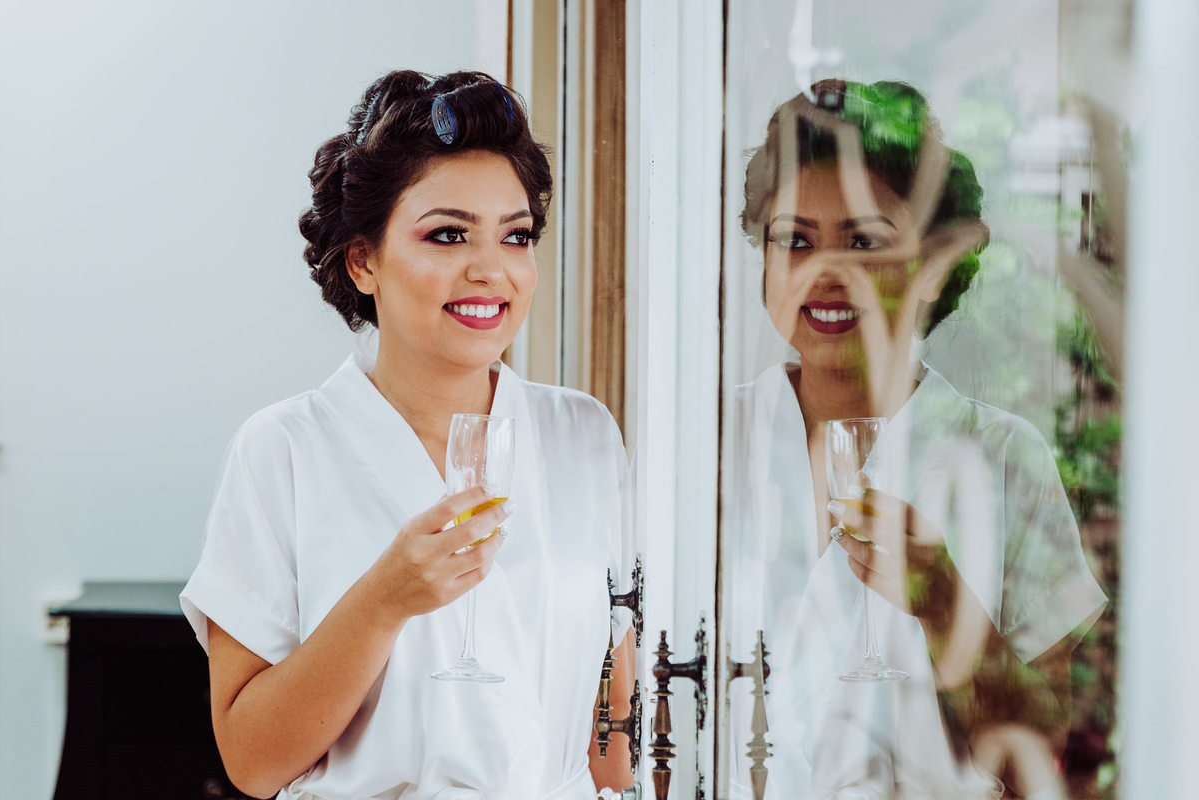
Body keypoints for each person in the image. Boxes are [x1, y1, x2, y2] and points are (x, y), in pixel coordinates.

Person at [180, 70, 634, 800]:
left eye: (516, 236)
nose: (491, 270)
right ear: (364, 261)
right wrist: (383, 599)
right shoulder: (284, 450)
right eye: (448, 234)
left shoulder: (582, 433)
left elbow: (611, 712)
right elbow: (252, 762)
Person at [728, 80, 1107, 798]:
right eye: (794, 240)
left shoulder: (1001, 458)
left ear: (931, 269)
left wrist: (942, 603)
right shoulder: (710, 446)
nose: (827, 274)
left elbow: (1050, 746)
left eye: (864, 241)